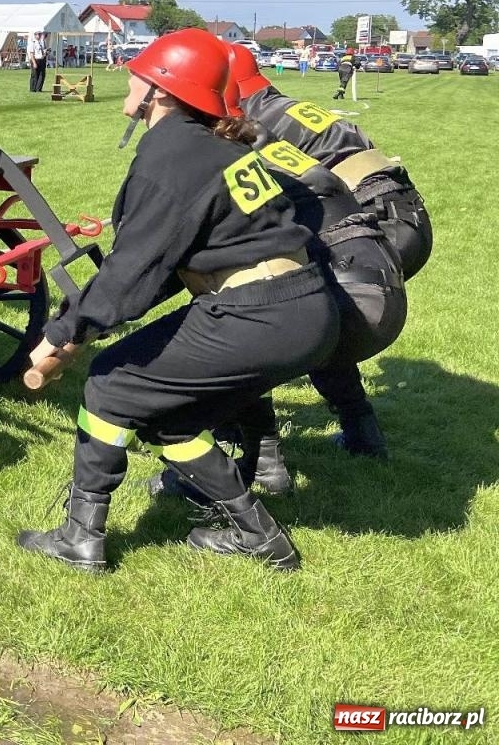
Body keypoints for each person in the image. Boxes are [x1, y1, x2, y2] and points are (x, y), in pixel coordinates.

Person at [17, 28, 338, 572]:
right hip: (304, 307)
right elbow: (169, 265)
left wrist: (67, 329)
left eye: (137, 73)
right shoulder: (211, 145)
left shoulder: (172, 153)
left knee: (112, 384)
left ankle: (81, 537)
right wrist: (94, 319)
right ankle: (258, 535)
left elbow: (136, 265)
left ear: (159, 91)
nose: (128, 78)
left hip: (258, 311)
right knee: (170, 412)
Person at [223, 43, 422, 456]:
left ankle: (259, 451)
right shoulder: (282, 104)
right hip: (403, 215)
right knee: (325, 323)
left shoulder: (252, 117)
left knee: (283, 313)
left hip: (373, 223)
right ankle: (361, 432)